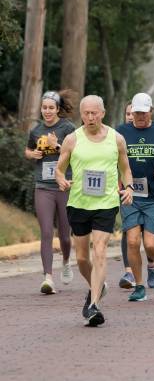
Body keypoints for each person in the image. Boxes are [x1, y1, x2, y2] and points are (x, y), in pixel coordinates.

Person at [54, 95, 134, 326]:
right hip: (78, 203)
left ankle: (94, 304)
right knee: (81, 258)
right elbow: (60, 169)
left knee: (99, 251)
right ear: (81, 114)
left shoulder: (116, 139)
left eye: (94, 113)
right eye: (86, 113)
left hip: (106, 203)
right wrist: (61, 180)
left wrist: (128, 187)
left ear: (103, 113)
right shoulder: (72, 139)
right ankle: (98, 285)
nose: (90, 117)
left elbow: (125, 169)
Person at [117, 93, 154, 302]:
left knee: (150, 245)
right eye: (136, 113)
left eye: (143, 113)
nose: (139, 117)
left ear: (151, 112)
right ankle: (139, 286)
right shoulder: (121, 132)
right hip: (130, 194)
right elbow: (112, 158)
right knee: (132, 242)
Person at [24, 90, 76, 294]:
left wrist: (58, 145)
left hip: (63, 186)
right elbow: (27, 150)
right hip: (43, 185)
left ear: (57, 109)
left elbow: (77, 152)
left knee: (64, 235)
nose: (47, 111)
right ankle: (48, 278)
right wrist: (32, 153)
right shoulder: (36, 130)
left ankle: (65, 262)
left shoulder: (68, 128)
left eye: (51, 108)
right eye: (44, 108)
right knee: (46, 232)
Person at [118, 102, 154, 290]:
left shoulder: (150, 134)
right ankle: (129, 271)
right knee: (129, 231)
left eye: (134, 113)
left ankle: (151, 266)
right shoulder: (119, 135)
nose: (131, 117)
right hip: (126, 189)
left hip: (149, 190)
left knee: (146, 232)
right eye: (128, 114)